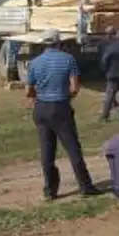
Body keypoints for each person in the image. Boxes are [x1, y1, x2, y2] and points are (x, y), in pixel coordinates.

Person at [25, 28, 100, 200]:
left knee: (47, 151)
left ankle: (50, 191)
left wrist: (37, 95)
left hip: (41, 108)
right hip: (60, 106)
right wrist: (67, 97)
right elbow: (75, 87)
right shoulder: (68, 59)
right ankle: (85, 186)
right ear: (59, 42)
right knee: (73, 148)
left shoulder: (35, 62)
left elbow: (29, 90)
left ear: (44, 44)